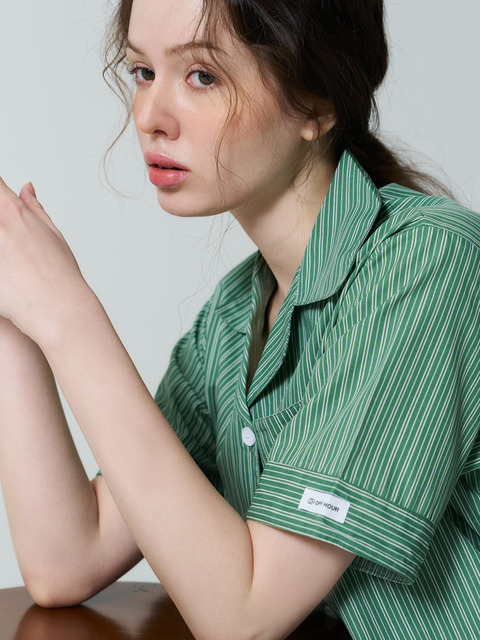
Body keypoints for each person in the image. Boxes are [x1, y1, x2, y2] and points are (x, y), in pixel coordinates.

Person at [0, 1, 479, 639]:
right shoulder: (232, 321)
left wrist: (68, 313)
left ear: (316, 102)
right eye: (143, 72)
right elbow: (67, 560)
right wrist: (16, 306)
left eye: (203, 76)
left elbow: (244, 618)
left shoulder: (428, 261)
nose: (148, 116)